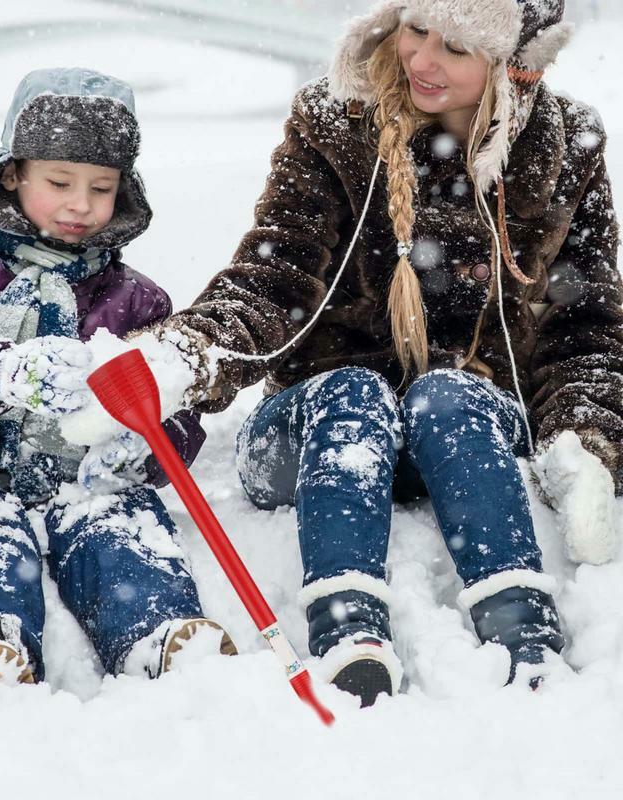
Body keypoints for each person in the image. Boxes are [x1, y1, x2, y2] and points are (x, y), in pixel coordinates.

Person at [77, 0, 623, 706]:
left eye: (455, 48)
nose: (421, 60)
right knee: (354, 391)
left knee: (447, 394)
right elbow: (274, 280)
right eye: (416, 29)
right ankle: (349, 629)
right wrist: (184, 356)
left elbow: (585, 323)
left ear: (512, 66)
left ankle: (524, 631)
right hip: (315, 432)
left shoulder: (567, 144)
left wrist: (588, 440)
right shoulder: (338, 123)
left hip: (467, 436)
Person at [0, 68, 236, 705]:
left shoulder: (135, 300)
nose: (80, 205)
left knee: (119, 527)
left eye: (101, 188)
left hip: (83, 476)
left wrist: (147, 443)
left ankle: (157, 630)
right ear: (13, 173)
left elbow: (175, 406)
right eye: (60, 183)